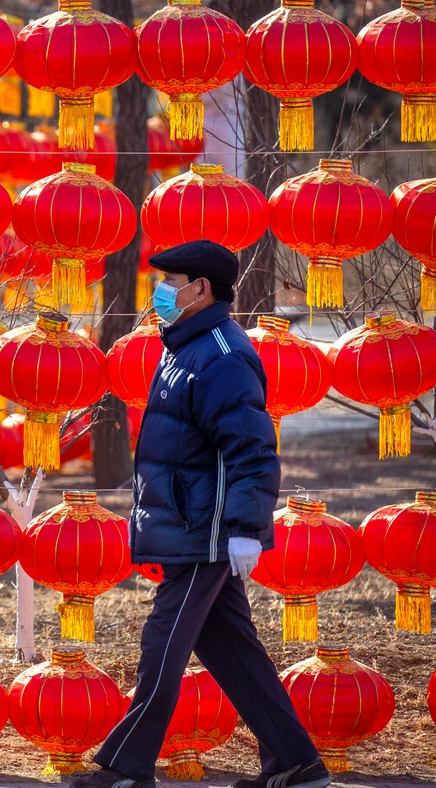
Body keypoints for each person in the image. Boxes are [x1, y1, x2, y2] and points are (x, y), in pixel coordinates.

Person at [72, 240, 330, 788]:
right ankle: (296, 763)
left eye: (170, 281)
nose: (160, 292)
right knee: (231, 646)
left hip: (208, 530)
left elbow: (252, 448)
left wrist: (242, 528)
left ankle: (126, 766)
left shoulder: (222, 353)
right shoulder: (185, 344)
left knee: (163, 642)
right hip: (193, 523)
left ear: (201, 290)